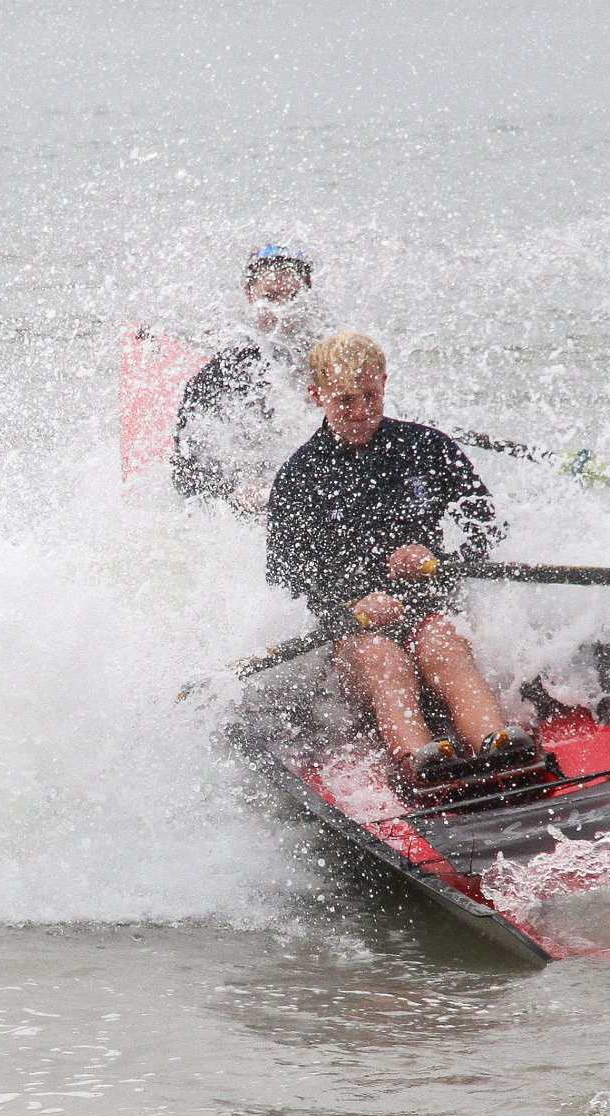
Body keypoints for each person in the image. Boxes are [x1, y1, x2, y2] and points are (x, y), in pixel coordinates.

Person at [265, 331, 535, 786]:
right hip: (353, 634)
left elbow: (488, 528)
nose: (361, 411)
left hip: (426, 611)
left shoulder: (427, 448)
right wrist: (352, 608)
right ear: (317, 396)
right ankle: (422, 763)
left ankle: (497, 743)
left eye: (371, 396)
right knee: (384, 658)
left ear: (385, 384)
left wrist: (439, 557)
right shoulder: (299, 475)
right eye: (345, 400)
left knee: (443, 642)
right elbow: (288, 581)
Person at [171, 244, 324, 517]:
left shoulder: (331, 359)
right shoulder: (221, 374)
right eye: (271, 297)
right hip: (250, 497)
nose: (282, 312)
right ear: (249, 294)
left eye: (292, 298)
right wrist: (233, 488)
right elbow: (185, 472)